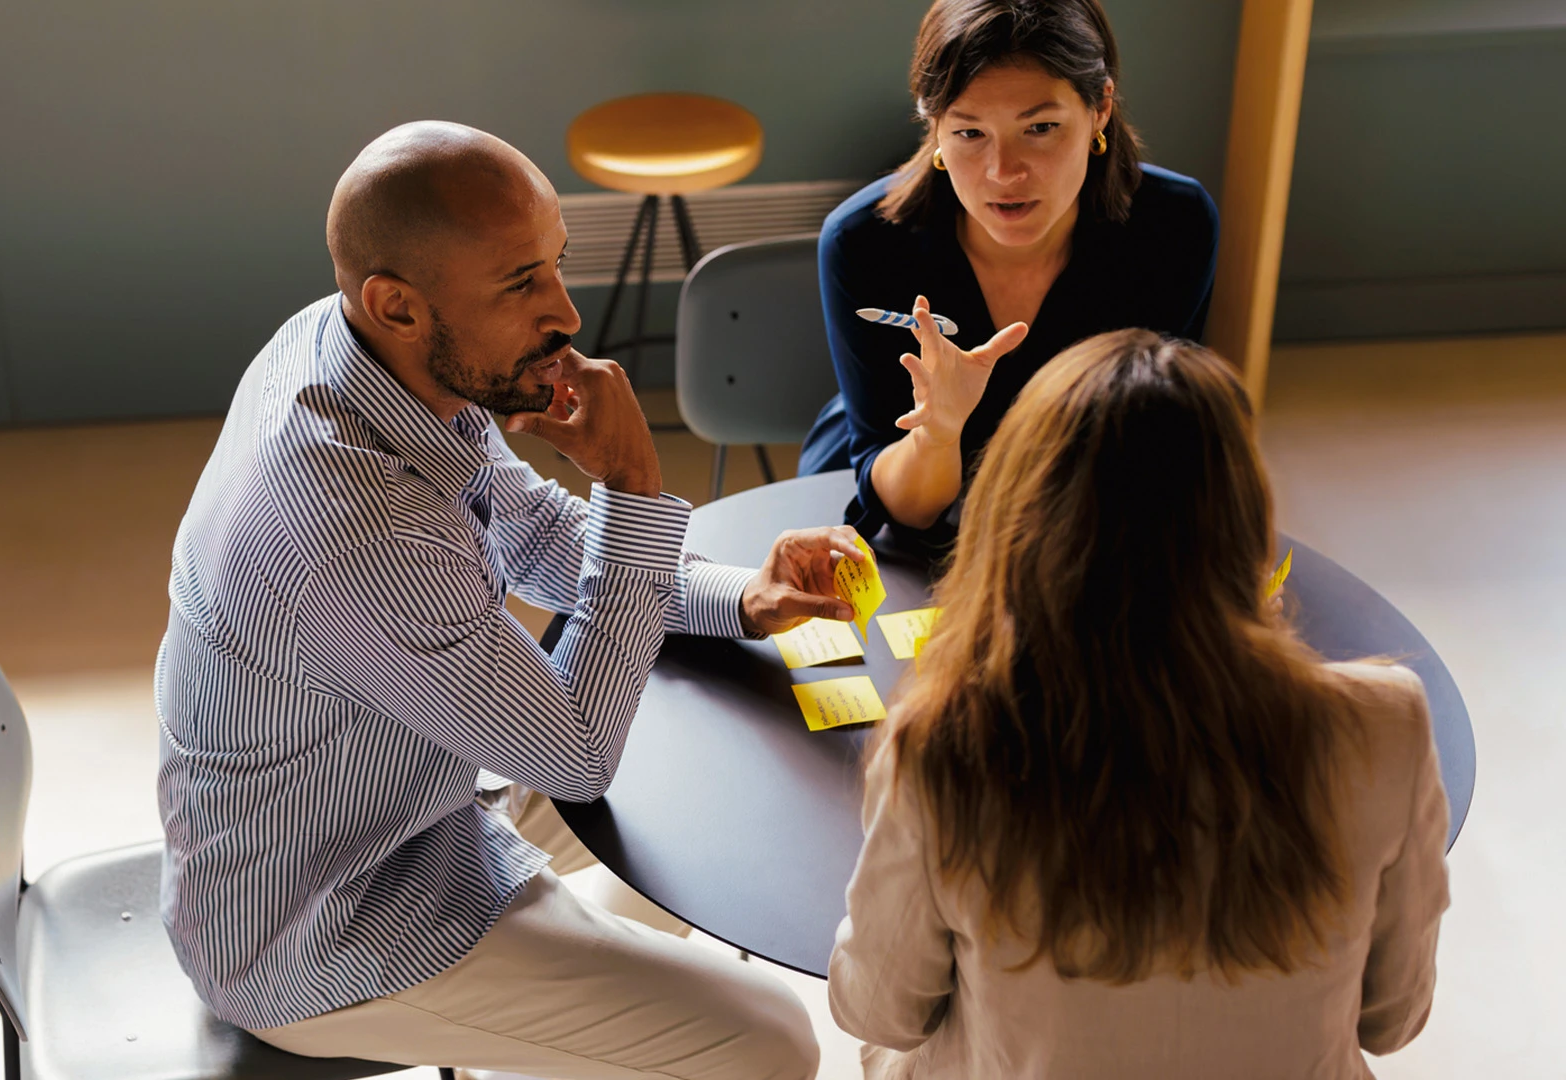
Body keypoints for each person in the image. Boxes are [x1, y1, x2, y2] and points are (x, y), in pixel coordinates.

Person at [155, 120, 852, 1080]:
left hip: (411, 797)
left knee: (697, 759)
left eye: (556, 264)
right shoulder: (353, 517)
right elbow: (576, 756)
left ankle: (583, 1011)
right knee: (770, 1040)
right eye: (521, 283)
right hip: (327, 926)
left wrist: (744, 596)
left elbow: (538, 540)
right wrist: (637, 493)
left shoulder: (362, 352)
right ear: (396, 304)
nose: (565, 312)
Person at [829, 330, 1450, 1079]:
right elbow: (1392, 1020)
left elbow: (878, 1012)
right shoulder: (1387, 724)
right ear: (1243, 517)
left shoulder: (943, 744)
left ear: (1015, 522)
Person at [798, 0, 1219, 558]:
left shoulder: (1174, 226)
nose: (1004, 174)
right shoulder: (864, 243)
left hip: (1084, 503)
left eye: (1040, 127)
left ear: (1100, 109)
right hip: (907, 508)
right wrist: (937, 434)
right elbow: (907, 509)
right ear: (934, 126)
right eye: (970, 133)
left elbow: (1154, 437)